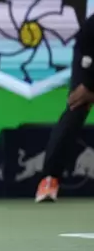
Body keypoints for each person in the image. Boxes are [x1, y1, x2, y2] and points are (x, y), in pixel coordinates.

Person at [36, 13, 94, 203]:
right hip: (89, 57)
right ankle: (49, 180)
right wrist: (87, 85)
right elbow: (88, 51)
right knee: (77, 106)